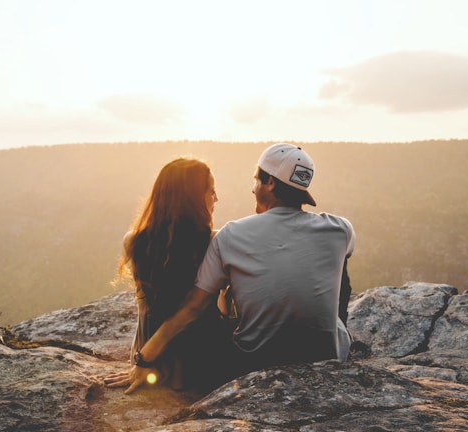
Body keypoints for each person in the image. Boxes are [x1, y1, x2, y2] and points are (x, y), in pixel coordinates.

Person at [118, 143, 356, 394]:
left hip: (254, 360)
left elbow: (193, 305)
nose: (252, 188)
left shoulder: (232, 235)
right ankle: (329, 332)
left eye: (256, 180)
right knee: (340, 263)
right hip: (328, 356)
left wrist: (145, 356)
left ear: (270, 183)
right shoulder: (340, 229)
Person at [103, 157, 228, 393]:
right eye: (211, 191)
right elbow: (197, 309)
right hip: (205, 362)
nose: (216, 199)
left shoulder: (133, 241)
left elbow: (145, 312)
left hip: (153, 362)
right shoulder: (216, 242)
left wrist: (141, 361)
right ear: (192, 200)